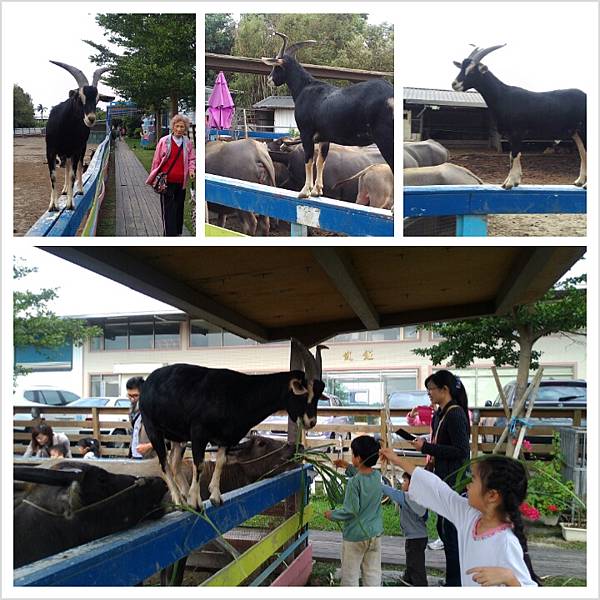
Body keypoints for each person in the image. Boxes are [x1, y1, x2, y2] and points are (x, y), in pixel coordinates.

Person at [380, 449, 541, 587]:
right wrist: (396, 459)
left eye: (473, 480)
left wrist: (509, 578)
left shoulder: (505, 542)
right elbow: (438, 490)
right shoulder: (468, 514)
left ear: (492, 495)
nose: (468, 485)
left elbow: (527, 588)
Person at [409, 370, 470, 586]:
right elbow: (442, 441)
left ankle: (456, 583)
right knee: (444, 530)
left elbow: (461, 450)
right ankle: (453, 580)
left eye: (431, 390)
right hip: (443, 478)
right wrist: (427, 444)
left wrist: (427, 447)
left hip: (454, 480)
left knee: (451, 535)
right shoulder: (440, 413)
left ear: (445, 390)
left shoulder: (455, 414)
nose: (429, 394)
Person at [325, 435, 383, 586]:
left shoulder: (353, 483)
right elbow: (363, 476)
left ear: (358, 457)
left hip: (355, 537)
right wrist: (346, 466)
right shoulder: (378, 476)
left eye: (352, 454)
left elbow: (351, 511)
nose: (351, 457)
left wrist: (333, 514)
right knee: (372, 574)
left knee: (350, 576)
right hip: (374, 535)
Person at [146, 114, 196, 237]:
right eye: (177, 126)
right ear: (173, 127)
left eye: (182, 127)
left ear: (185, 129)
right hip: (166, 181)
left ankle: (177, 232)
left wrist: (192, 170)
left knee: (179, 208)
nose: (179, 129)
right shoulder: (164, 141)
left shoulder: (188, 143)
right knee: (168, 209)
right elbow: (156, 160)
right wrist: (154, 176)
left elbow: (192, 159)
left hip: (181, 182)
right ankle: (169, 235)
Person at [382, 471, 429, 586]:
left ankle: (420, 585)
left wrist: (378, 484)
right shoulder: (419, 498)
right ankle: (408, 579)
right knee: (412, 561)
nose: (402, 484)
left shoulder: (410, 497)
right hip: (417, 537)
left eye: (405, 481)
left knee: (416, 565)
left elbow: (393, 493)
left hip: (415, 538)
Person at [126, 376, 154, 459]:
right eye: (129, 396)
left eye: (135, 396)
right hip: (135, 456)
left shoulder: (154, 410)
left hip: (151, 459)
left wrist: (149, 446)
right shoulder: (132, 410)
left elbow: (168, 437)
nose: (132, 399)